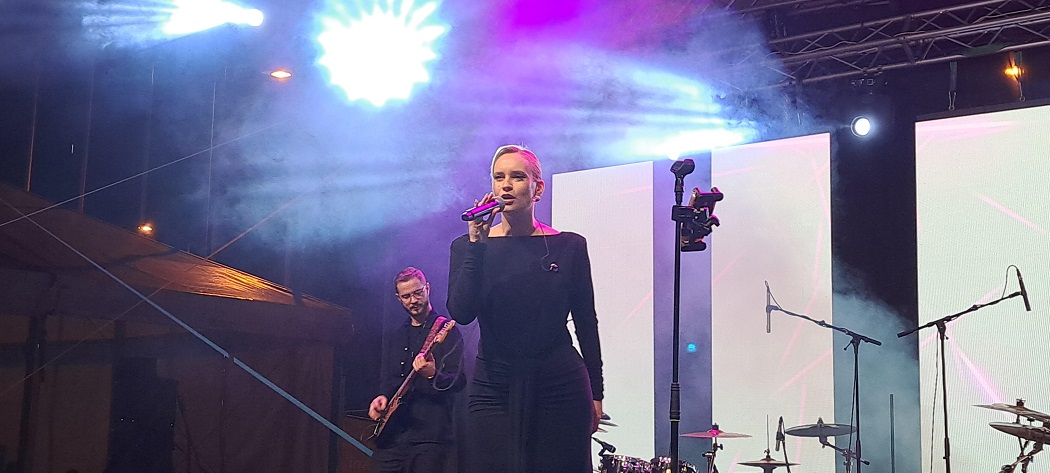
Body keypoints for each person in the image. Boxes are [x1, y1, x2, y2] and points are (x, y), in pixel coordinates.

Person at [447, 144, 604, 473]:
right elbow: (461, 312)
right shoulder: (467, 247)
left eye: (517, 177)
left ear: (537, 188)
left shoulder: (569, 246)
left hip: (559, 384)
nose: (506, 185)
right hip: (493, 384)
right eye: (498, 177)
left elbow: (586, 323)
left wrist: (597, 391)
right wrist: (477, 246)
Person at [369, 267, 466, 473]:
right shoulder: (397, 335)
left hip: (430, 437)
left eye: (417, 293)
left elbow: (459, 381)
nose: (413, 300)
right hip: (393, 435)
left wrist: (432, 375)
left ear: (427, 288)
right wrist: (381, 397)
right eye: (406, 296)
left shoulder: (447, 331)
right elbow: (388, 378)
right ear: (399, 298)